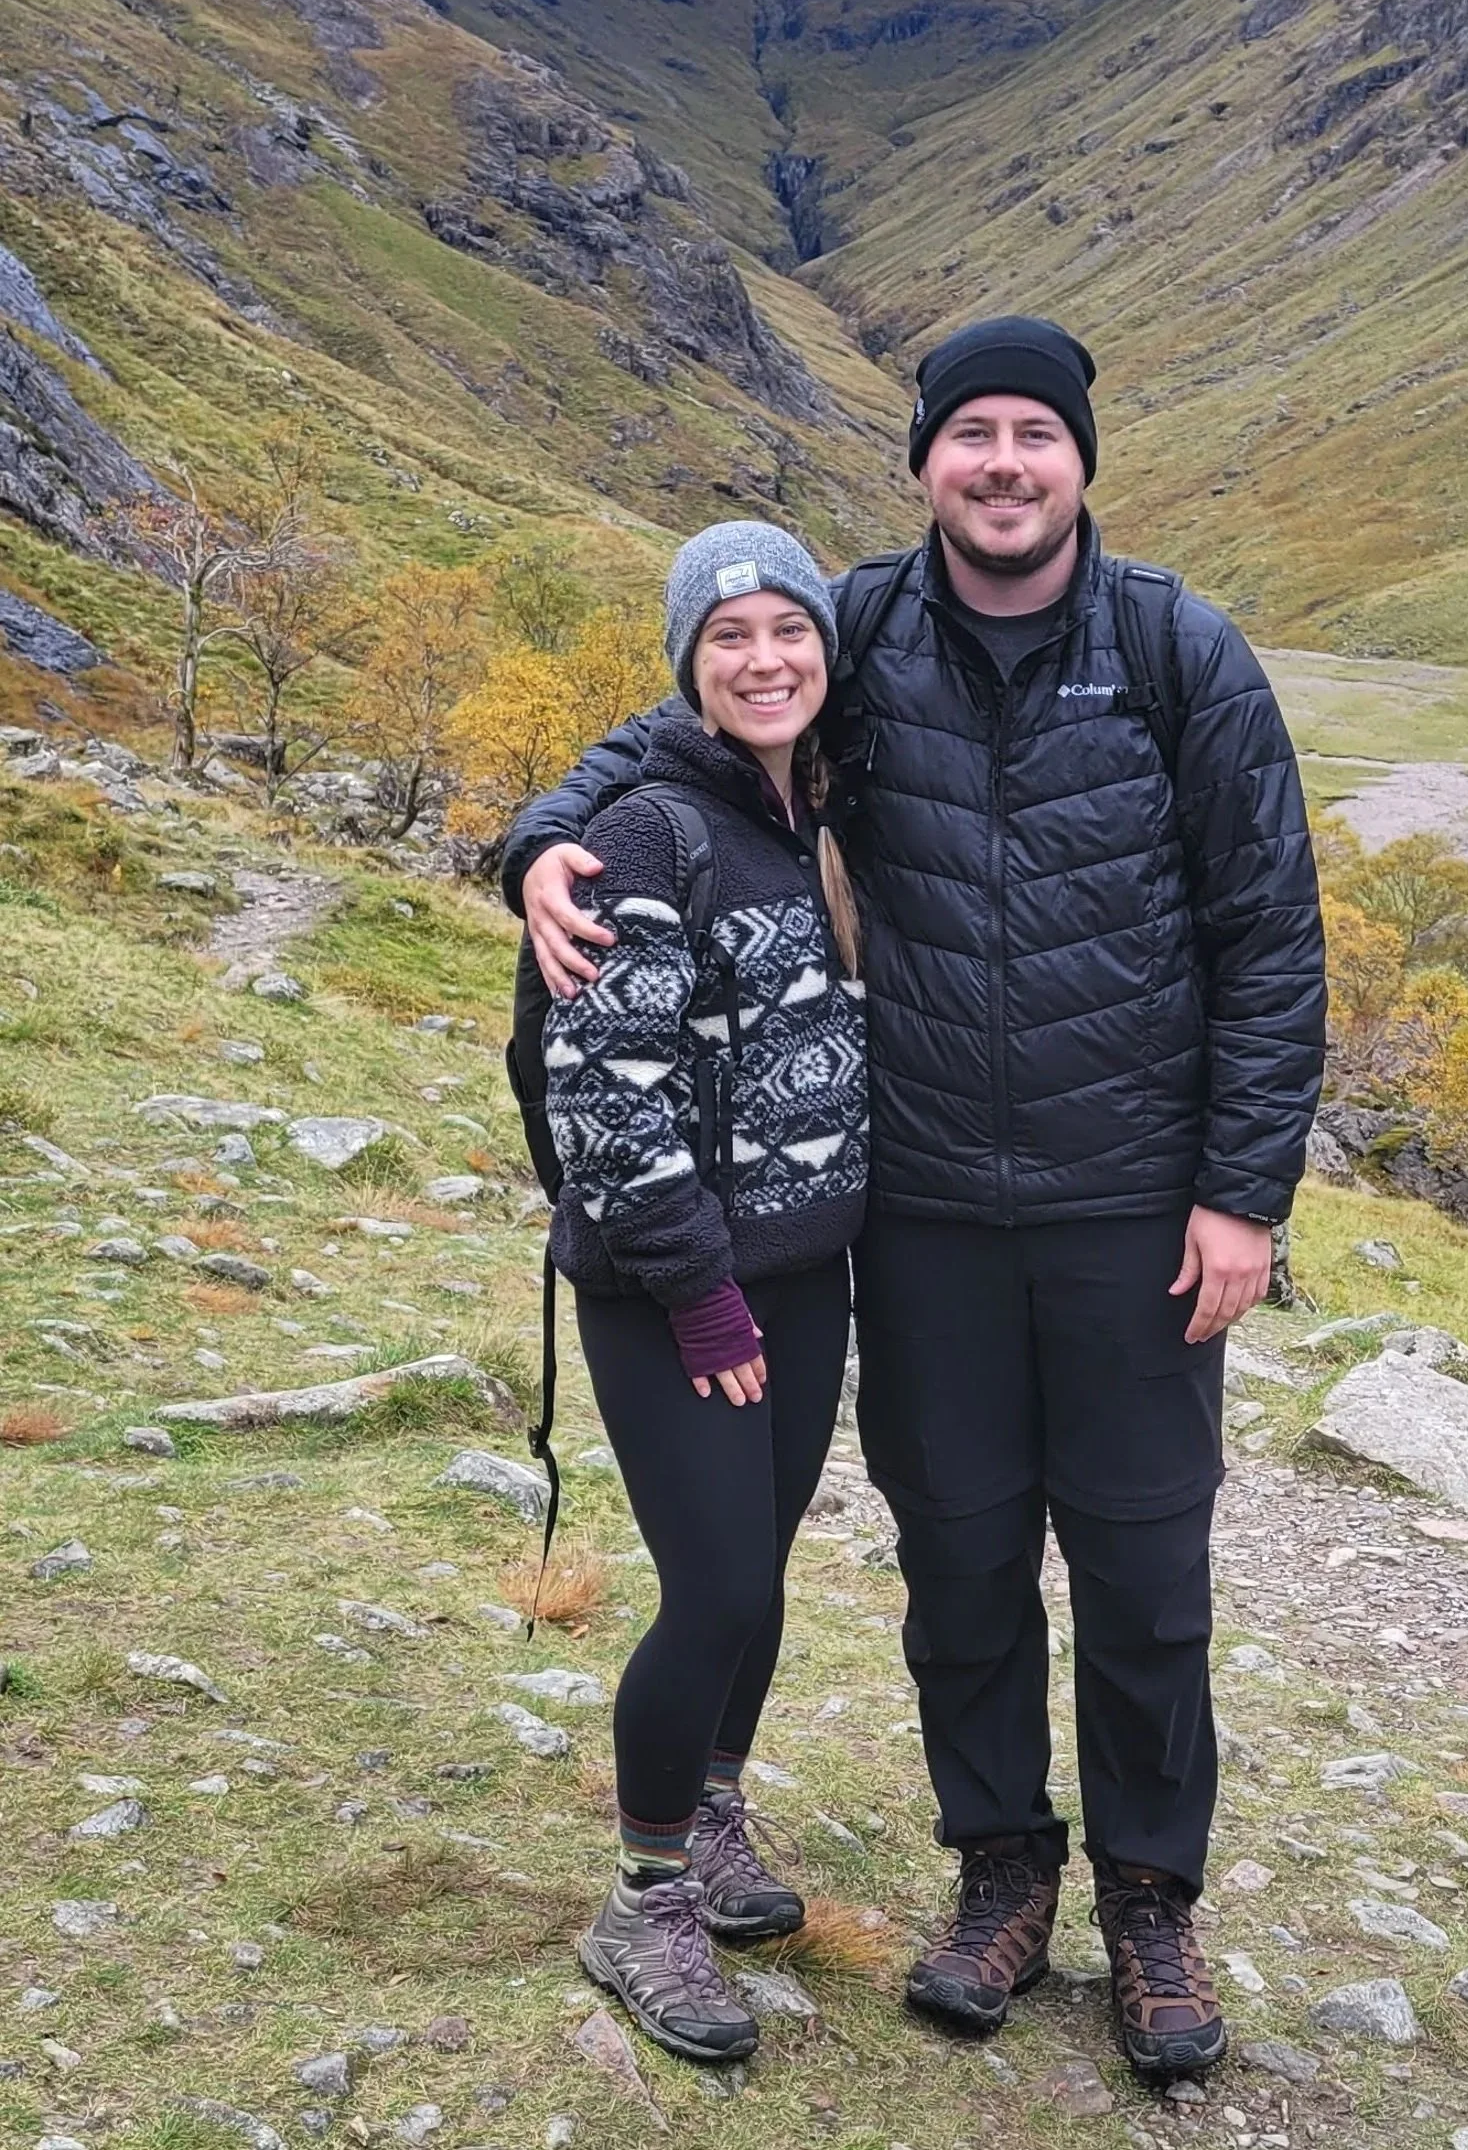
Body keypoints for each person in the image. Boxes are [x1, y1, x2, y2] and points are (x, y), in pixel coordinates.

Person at [507, 318, 1326, 2088]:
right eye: (974, 437)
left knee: (1143, 1564)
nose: (1007, 464)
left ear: (1084, 462)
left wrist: (1242, 1194)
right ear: (927, 467)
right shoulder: (859, 627)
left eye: (1039, 434)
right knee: (959, 1554)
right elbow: (683, 730)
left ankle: (1154, 1905)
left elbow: (1272, 937)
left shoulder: (1183, 652)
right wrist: (536, 843)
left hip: (1132, 1208)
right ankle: (998, 1878)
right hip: (930, 1211)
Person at [542, 520, 868, 2067]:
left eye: (785, 630)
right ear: (686, 663)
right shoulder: (653, 830)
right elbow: (608, 1093)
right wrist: (701, 1296)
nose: (763, 659)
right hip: (682, 1289)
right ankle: (647, 1897)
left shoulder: (822, 808)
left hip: (809, 1274)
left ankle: (716, 1805)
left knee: (767, 1567)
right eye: (726, 637)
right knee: (718, 1584)